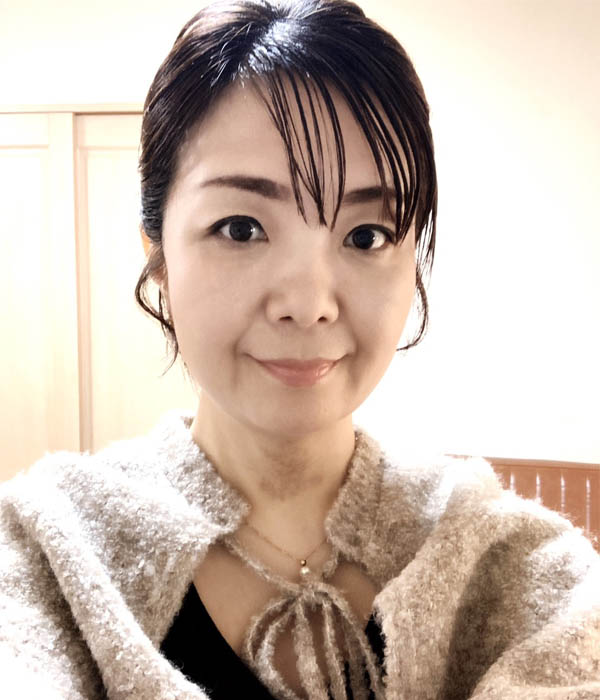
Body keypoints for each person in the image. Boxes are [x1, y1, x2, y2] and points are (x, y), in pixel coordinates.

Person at [1, 0, 599, 698]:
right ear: (158, 255)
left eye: (366, 236)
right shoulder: (51, 551)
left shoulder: (514, 566)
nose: (309, 303)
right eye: (241, 228)